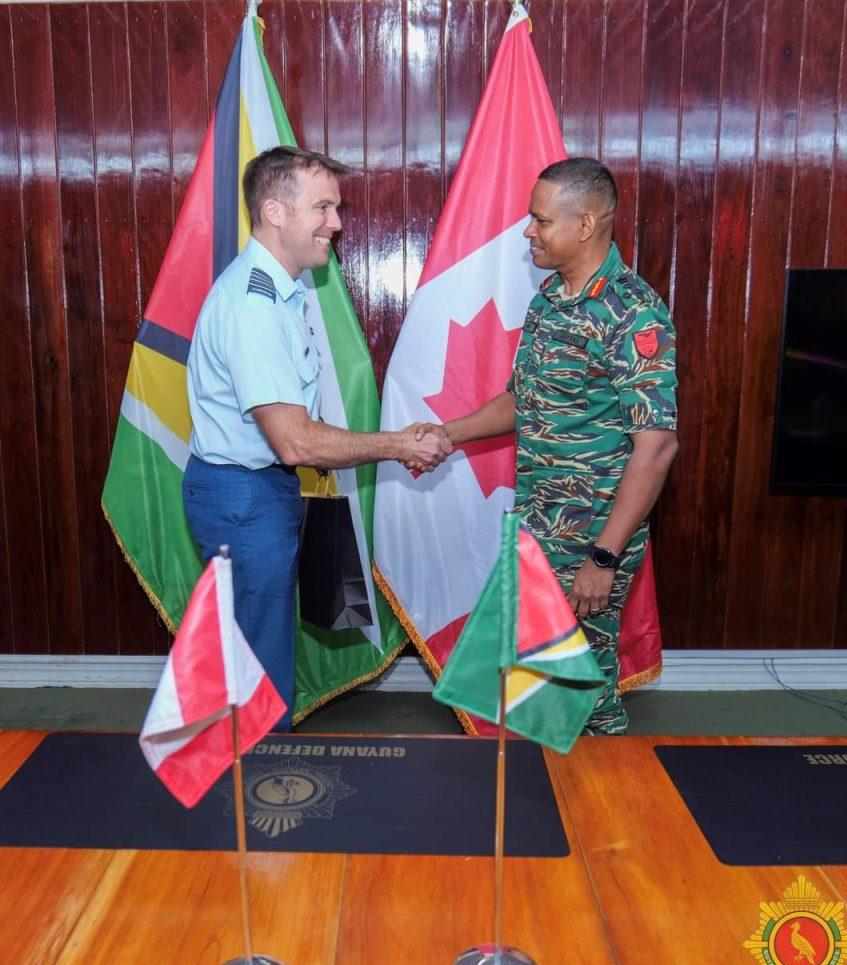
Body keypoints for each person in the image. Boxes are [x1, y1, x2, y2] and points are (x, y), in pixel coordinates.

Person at [183, 145, 449, 731]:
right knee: (257, 661)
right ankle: (256, 788)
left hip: (259, 492)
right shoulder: (253, 307)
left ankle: (257, 770)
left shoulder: (283, 290)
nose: (337, 222)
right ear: (274, 212)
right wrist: (400, 444)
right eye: (323, 207)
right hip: (243, 498)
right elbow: (295, 442)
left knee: (263, 647)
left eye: (337, 207)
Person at [418, 157, 678, 734]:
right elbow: (523, 400)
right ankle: (558, 806)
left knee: (583, 683)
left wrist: (603, 559)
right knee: (544, 681)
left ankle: (611, 803)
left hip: (590, 533)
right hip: (540, 522)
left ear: (584, 225)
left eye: (540, 220)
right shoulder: (549, 299)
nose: (528, 231)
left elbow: (656, 447)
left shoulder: (631, 311)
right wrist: (447, 434)